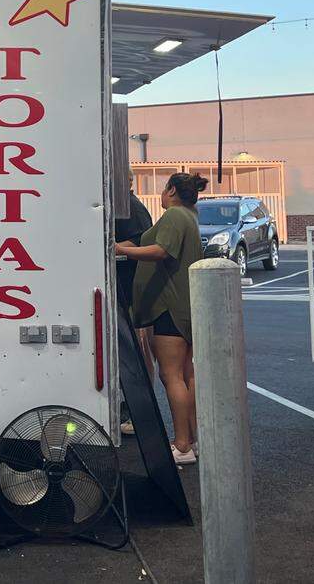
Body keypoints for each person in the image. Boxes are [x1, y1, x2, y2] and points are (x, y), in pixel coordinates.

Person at [115, 173, 208, 465]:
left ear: (171, 190)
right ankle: (193, 440)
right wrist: (127, 246)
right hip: (185, 305)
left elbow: (159, 250)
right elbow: (146, 240)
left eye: (163, 189)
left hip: (170, 307)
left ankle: (181, 444)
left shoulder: (174, 217)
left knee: (172, 376)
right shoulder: (188, 216)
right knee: (186, 373)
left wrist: (118, 250)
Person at [114, 186, 153, 436]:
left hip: (131, 293)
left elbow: (141, 239)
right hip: (127, 291)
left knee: (137, 352)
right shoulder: (125, 205)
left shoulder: (132, 208)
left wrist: (114, 247)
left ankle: (140, 413)